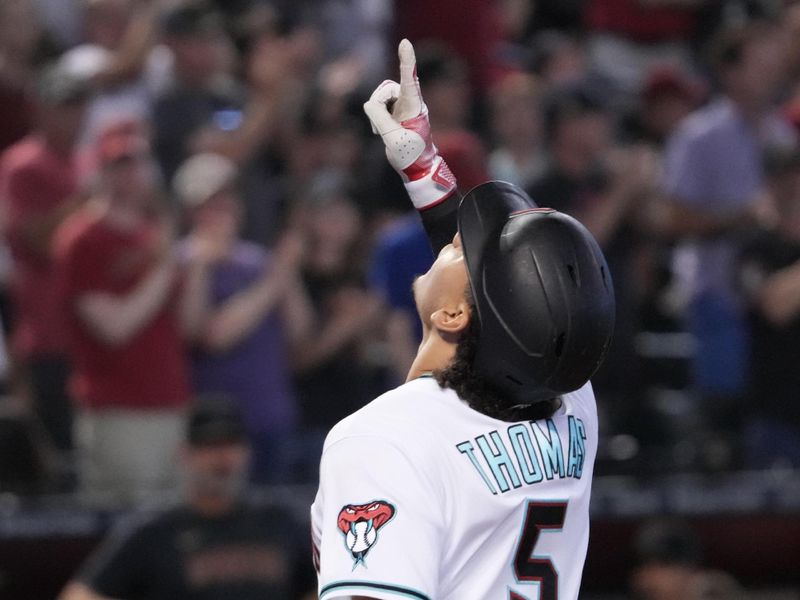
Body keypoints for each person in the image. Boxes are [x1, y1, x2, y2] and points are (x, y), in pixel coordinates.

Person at [310, 40, 615, 600]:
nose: (452, 241)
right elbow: (505, 304)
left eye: (460, 251)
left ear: (452, 314)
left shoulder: (384, 439)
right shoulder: (573, 399)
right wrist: (421, 162)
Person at [53, 119, 189, 504]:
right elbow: (113, 327)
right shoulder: (83, 238)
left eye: (137, 162)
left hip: (169, 399)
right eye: (119, 164)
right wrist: (164, 266)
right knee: (128, 519)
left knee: (172, 522)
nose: (130, 174)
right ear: (101, 170)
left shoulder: (153, 233)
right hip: (118, 406)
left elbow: (184, 322)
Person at [58, 394, 311, 600]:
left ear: (247, 452)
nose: (222, 458)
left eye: (231, 444)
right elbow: (80, 595)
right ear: (185, 455)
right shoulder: (156, 530)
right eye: (210, 446)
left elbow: (333, 588)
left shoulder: (280, 521)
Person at [176, 151, 312, 483]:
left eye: (228, 198)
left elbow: (300, 332)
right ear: (192, 210)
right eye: (212, 202)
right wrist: (278, 275)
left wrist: (284, 272)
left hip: (272, 414)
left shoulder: (258, 260)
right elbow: (211, 336)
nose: (224, 209)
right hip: (218, 427)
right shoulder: (183, 260)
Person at [0, 63, 90, 458]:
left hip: (92, 331)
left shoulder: (91, 161)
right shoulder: (23, 163)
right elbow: (36, 238)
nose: (71, 115)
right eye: (61, 106)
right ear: (41, 109)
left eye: (77, 105)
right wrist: (86, 202)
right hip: (46, 328)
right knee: (51, 445)